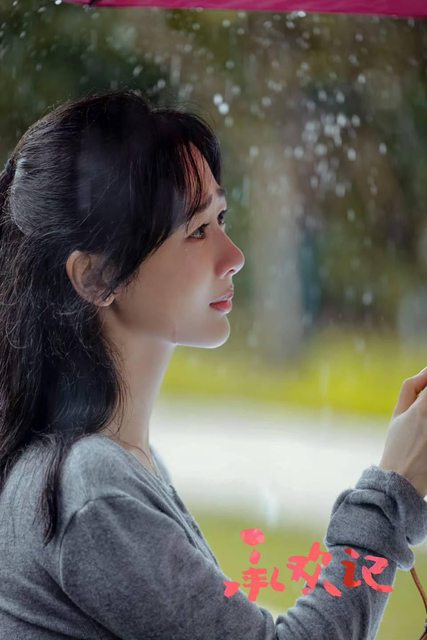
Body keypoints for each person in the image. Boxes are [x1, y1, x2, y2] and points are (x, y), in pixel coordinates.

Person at [0, 88, 425, 640]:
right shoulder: (91, 490)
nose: (234, 256)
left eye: (221, 217)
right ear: (96, 277)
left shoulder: (113, 463)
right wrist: (392, 493)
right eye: (197, 231)